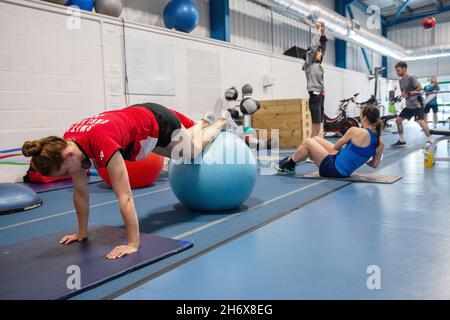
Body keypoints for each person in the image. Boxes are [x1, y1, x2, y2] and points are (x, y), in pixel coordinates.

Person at [22, 103, 237, 259]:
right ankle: (203, 122)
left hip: (156, 122)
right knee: (183, 146)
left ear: (68, 155)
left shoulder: (101, 143)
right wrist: (81, 232)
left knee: (191, 153)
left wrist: (133, 244)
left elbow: (125, 197)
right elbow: (80, 192)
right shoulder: (68, 144)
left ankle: (222, 121)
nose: (67, 176)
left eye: (63, 173)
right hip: (138, 122)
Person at [276, 105, 384, 177]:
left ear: (365, 118)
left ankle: (290, 162)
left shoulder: (355, 131)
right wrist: (360, 157)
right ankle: (292, 163)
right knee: (316, 139)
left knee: (308, 142)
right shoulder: (380, 142)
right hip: (343, 169)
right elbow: (374, 164)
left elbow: (336, 147)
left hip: (332, 169)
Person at [391, 61, 433, 147]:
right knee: (398, 120)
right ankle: (401, 140)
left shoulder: (411, 77)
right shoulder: (401, 81)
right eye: (396, 71)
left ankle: (431, 140)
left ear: (404, 68)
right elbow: (404, 92)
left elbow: (419, 88)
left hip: (417, 104)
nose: (397, 73)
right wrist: (400, 96)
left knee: (421, 122)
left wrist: (409, 93)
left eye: (398, 70)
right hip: (409, 105)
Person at [304, 20, 327, 138]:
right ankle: (310, 147)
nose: (320, 53)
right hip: (315, 97)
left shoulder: (318, 64)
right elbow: (314, 46)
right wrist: (317, 31)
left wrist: (323, 31)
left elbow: (323, 44)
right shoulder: (309, 63)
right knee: (316, 126)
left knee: (320, 125)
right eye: (318, 52)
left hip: (321, 96)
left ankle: (315, 146)